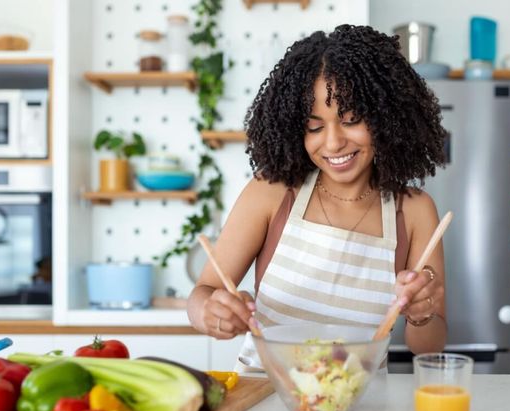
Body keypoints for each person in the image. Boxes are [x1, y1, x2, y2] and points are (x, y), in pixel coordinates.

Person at [187, 24, 447, 372]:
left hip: (361, 407)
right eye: (315, 127)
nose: (333, 142)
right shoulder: (272, 192)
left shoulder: (414, 211)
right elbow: (204, 291)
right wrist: (209, 312)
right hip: (266, 401)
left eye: (352, 119)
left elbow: (429, 345)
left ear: (388, 118)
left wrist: (421, 313)